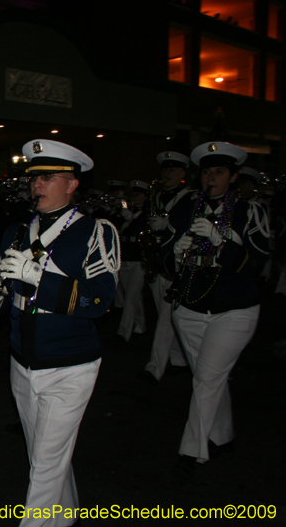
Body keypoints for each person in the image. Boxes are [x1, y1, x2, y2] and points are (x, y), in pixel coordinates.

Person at [0, 139, 119, 527]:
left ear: (72, 184)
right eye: (34, 178)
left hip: (70, 363)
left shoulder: (94, 231)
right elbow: (14, 293)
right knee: (44, 453)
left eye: (48, 177)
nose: (36, 185)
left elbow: (99, 302)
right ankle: (68, 513)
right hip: (23, 357)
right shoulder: (16, 232)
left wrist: (41, 277)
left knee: (43, 467)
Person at [159, 141, 269, 480]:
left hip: (233, 310)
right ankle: (223, 436)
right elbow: (164, 259)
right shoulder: (185, 207)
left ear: (233, 176)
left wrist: (224, 240)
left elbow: (259, 261)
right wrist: (174, 255)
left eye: (219, 172)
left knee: (206, 379)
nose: (211, 178)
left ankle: (191, 452)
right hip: (190, 308)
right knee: (209, 377)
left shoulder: (250, 211)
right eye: (207, 171)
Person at [138, 151, 190, 384]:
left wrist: (167, 226)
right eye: (165, 170)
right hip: (157, 262)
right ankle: (179, 359)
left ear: (183, 174)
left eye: (173, 170)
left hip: (176, 262)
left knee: (166, 319)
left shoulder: (190, 198)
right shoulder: (156, 197)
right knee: (167, 317)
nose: (167, 174)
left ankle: (154, 367)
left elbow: (192, 229)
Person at [115, 180, 149, 344]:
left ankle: (123, 333)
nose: (135, 197)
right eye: (133, 194)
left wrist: (131, 219)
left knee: (130, 297)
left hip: (138, 260)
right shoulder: (127, 212)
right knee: (133, 296)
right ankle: (140, 326)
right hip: (125, 257)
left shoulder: (147, 213)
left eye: (139, 194)